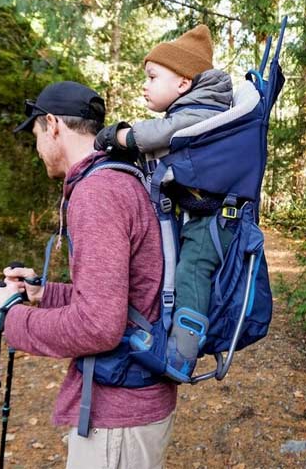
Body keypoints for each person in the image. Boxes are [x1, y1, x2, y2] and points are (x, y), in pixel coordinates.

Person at [0, 81, 177, 469]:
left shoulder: (98, 192)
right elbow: (116, 296)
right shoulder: (119, 177)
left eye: (36, 134)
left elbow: (100, 325)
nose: (37, 149)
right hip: (132, 404)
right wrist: (42, 294)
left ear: (52, 124)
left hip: (118, 418)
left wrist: (10, 318)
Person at [95, 25, 233, 378]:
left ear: (184, 83)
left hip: (213, 221)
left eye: (153, 76)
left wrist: (122, 136)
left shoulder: (200, 113)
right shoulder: (197, 110)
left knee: (192, 271)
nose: (145, 84)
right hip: (202, 214)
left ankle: (182, 355)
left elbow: (159, 135)